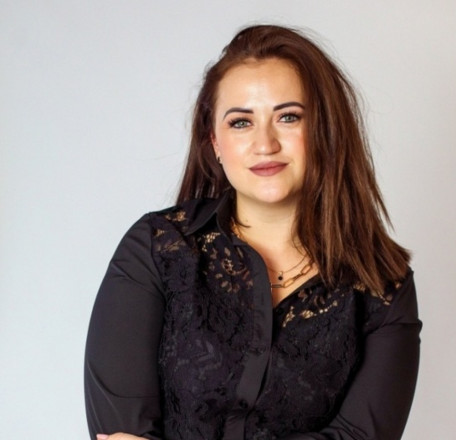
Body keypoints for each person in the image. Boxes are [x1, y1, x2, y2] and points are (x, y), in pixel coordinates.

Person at [84, 24, 421, 440]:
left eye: (288, 117)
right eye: (241, 122)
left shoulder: (383, 286)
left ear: (325, 131)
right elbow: (121, 433)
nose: (265, 144)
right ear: (215, 142)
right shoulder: (156, 249)